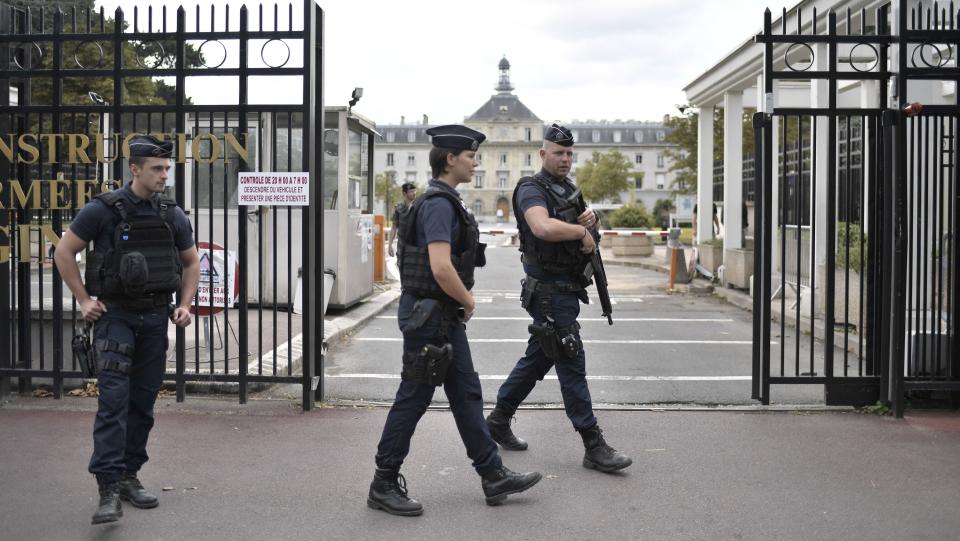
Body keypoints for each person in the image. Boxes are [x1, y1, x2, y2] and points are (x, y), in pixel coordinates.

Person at [368, 124, 542, 516]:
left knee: (467, 395)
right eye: (469, 156)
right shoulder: (438, 205)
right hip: (430, 316)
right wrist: (468, 300)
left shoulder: (445, 200)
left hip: (440, 315)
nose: (475, 162)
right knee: (413, 398)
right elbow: (441, 267)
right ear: (450, 159)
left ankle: (493, 475)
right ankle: (382, 482)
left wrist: (458, 304)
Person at [54, 135, 200, 525]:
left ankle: (128, 477)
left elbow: (191, 262)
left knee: (142, 405)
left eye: (167, 169)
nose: (164, 176)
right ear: (134, 169)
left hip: (155, 319)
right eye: (157, 169)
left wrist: (184, 305)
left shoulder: (172, 213)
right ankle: (107, 489)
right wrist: (84, 299)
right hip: (114, 318)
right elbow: (63, 251)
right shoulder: (102, 210)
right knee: (113, 404)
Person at [486, 123, 632, 473]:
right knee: (571, 362)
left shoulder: (566, 188)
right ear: (542, 154)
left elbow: (582, 231)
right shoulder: (531, 189)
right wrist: (581, 230)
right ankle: (593, 444)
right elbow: (542, 227)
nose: (565, 159)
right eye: (558, 153)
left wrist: (591, 220)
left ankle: (498, 418)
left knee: (538, 359)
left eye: (569, 153)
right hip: (550, 293)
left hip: (564, 289)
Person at [387, 182, 417, 257]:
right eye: (411, 191)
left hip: (416, 246)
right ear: (404, 193)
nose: (414, 193)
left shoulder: (419, 206)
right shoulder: (399, 208)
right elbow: (394, 228)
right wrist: (390, 245)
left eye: (414, 191)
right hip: (402, 247)